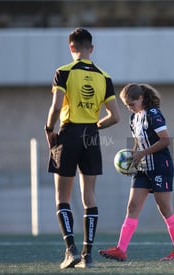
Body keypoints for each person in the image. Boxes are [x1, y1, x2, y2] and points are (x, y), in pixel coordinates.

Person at [45, 28, 120, 269]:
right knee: (89, 195)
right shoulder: (104, 76)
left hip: (68, 134)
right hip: (91, 136)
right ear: (92, 48)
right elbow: (115, 116)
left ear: (71, 47)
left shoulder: (63, 72)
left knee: (62, 196)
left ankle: (71, 250)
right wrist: (95, 125)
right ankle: (87, 256)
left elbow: (56, 107)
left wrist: (49, 129)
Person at [98, 83, 174, 262]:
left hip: (160, 166)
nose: (129, 108)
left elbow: (165, 141)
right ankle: (120, 249)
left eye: (131, 104)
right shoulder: (133, 119)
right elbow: (138, 143)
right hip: (142, 167)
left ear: (141, 99)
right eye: (126, 105)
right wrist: (131, 161)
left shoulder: (153, 114)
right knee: (132, 207)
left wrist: (142, 153)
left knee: (164, 207)